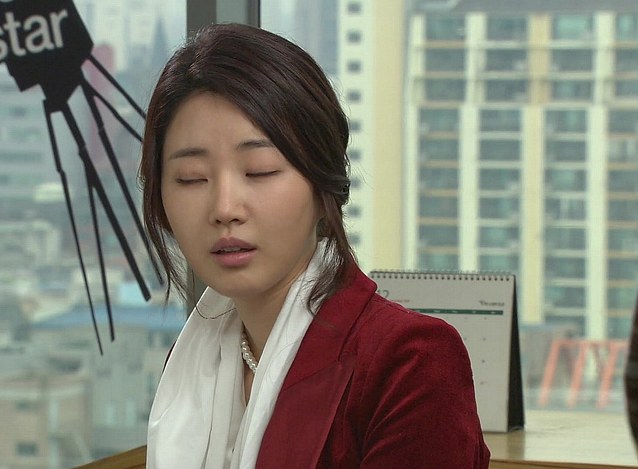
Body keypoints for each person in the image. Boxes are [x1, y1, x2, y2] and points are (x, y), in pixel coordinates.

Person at [138, 22, 490, 468]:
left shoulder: (410, 362)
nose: (224, 208)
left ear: (322, 186)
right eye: (191, 179)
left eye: (260, 171)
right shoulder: (194, 364)